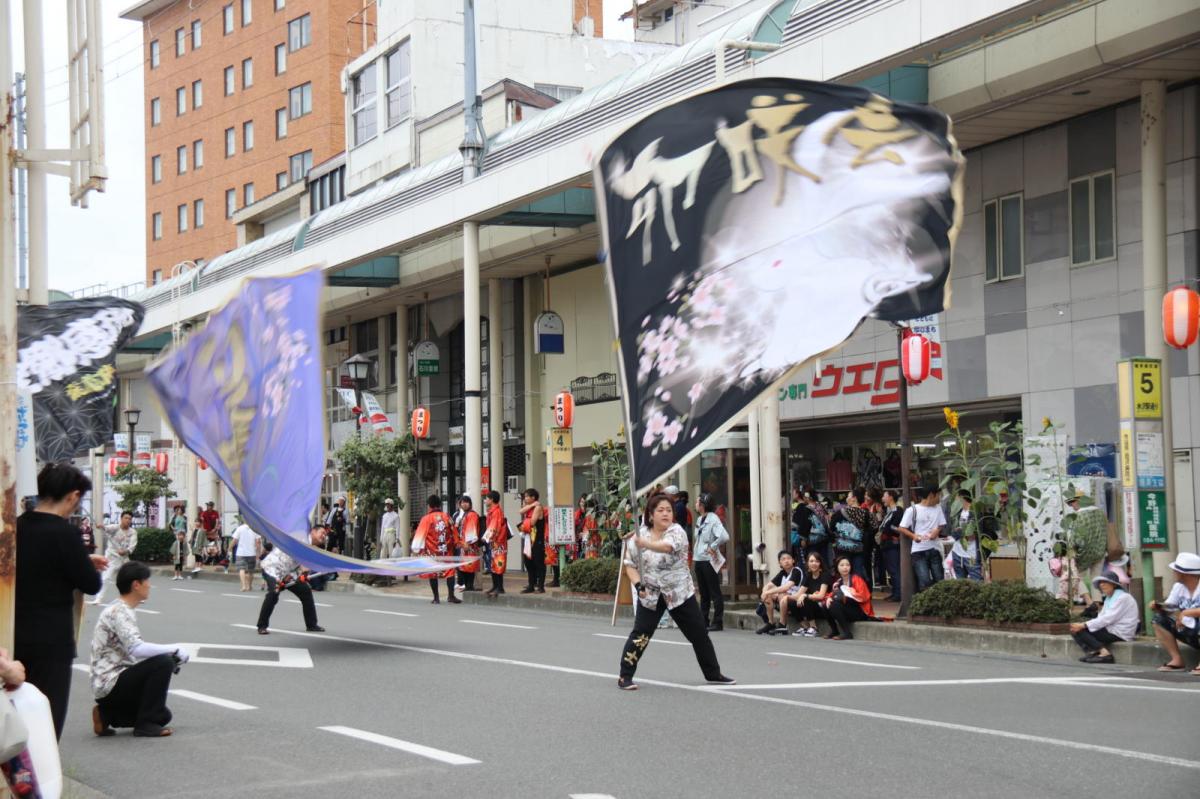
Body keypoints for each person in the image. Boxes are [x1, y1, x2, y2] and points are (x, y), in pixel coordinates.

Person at [15, 463, 107, 739]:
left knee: (14, 716)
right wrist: (86, 564)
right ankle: (40, 779)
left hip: (12, 636)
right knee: (45, 720)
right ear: (73, 496)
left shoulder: (16, 526)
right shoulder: (64, 532)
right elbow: (91, 584)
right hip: (51, 641)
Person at [616, 494, 734, 690]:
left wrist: (646, 544)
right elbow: (629, 566)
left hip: (679, 592)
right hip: (651, 593)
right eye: (660, 510)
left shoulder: (676, 531)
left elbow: (667, 547)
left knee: (699, 634)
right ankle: (624, 676)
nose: (665, 514)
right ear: (651, 515)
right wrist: (638, 586)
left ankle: (713, 673)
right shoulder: (639, 535)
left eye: (669, 510)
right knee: (641, 634)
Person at [89, 562, 189, 737]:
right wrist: (174, 649)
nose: (149, 585)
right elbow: (137, 648)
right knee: (163, 662)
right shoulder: (119, 611)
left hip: (110, 684)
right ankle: (145, 725)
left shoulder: (120, 608)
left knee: (164, 715)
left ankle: (106, 715)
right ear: (136, 585)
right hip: (110, 682)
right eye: (146, 581)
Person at [256, 527, 328, 634]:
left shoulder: (312, 547)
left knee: (305, 591)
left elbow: (300, 565)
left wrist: (302, 574)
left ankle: (311, 625)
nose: (324, 536)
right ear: (313, 532)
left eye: (325, 534)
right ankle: (262, 626)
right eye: (322, 533)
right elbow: (300, 558)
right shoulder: (302, 540)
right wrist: (304, 571)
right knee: (273, 594)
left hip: (288, 573)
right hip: (272, 569)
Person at [1070, 571, 1138, 664]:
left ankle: (1105, 654)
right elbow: (1101, 617)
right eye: (1100, 583)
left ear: (1114, 584)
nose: (1102, 585)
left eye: (1105, 582)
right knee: (1074, 629)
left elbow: (1108, 618)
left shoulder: (1123, 597)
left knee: (1080, 630)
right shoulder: (1110, 597)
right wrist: (1083, 625)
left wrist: (1084, 625)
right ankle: (1094, 651)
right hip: (1110, 628)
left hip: (1120, 632)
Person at [1150, 552, 1200, 673]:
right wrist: (1158, 606)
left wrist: (1186, 613)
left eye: (1176, 571)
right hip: (1188, 629)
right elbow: (1170, 606)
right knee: (1158, 619)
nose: (1174, 573)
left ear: (1184, 574)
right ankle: (1177, 660)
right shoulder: (1178, 587)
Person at [897, 485, 947, 592]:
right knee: (924, 581)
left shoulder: (938, 508)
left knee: (939, 579)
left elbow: (942, 524)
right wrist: (914, 536)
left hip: (934, 549)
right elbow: (902, 527)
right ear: (931, 495)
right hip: (918, 551)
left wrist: (936, 531)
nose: (940, 498)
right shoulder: (913, 510)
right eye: (938, 495)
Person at [412, 496, 461, 604]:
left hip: (432, 551)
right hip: (446, 551)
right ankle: (451, 596)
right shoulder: (447, 517)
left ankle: (436, 598)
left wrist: (417, 550)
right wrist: (457, 542)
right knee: (450, 571)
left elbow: (419, 536)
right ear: (439, 505)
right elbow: (454, 531)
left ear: (429, 506)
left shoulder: (426, 519)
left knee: (433, 573)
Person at [693, 493, 729, 632]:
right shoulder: (699, 519)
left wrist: (713, 546)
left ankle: (718, 622)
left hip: (709, 559)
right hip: (699, 558)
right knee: (703, 592)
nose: (696, 504)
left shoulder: (713, 519)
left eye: (697, 502)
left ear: (702, 505)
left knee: (714, 592)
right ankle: (704, 620)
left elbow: (725, 536)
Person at [90, 510, 137, 606]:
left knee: (131, 577)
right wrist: (101, 526)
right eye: (126, 518)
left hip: (124, 558)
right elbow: (106, 528)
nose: (128, 520)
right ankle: (98, 598)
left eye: (129, 519)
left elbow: (132, 546)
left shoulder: (132, 532)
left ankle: (135, 596)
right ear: (121, 519)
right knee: (106, 578)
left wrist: (125, 551)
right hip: (111, 557)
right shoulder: (115, 528)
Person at [822, 555, 875, 640]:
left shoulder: (856, 579)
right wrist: (829, 597)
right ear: (837, 567)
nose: (845, 567)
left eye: (847, 565)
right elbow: (831, 595)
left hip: (860, 611)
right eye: (842, 565)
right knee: (825, 605)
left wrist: (853, 593)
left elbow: (864, 596)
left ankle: (847, 633)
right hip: (848, 610)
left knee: (835, 604)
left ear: (851, 567)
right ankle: (834, 630)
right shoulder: (838, 582)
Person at [831, 487, 875, 584]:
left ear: (854, 498)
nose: (847, 498)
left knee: (844, 571)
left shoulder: (839, 513)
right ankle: (860, 593)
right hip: (861, 549)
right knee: (859, 572)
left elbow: (831, 528)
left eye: (848, 496)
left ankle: (845, 593)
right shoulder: (867, 514)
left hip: (843, 548)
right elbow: (874, 529)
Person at [757, 551, 804, 635]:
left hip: (797, 600)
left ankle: (782, 625)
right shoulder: (782, 573)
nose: (786, 561)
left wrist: (767, 592)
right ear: (780, 563)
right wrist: (764, 593)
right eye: (783, 559)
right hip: (784, 600)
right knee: (769, 595)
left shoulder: (796, 571)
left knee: (781, 594)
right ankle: (771, 623)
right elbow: (768, 585)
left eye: (789, 558)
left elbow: (785, 588)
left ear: (793, 560)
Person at [790, 552, 832, 637]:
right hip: (812, 607)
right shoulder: (808, 575)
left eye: (816, 561)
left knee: (806, 598)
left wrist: (805, 595)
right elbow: (799, 594)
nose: (814, 563)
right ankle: (805, 627)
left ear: (820, 563)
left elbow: (821, 596)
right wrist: (786, 597)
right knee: (791, 602)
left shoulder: (825, 575)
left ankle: (814, 628)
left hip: (823, 607)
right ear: (808, 563)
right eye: (811, 561)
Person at [520, 489, 547, 594]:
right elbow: (520, 511)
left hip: (537, 539)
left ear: (533, 498)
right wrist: (530, 506)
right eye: (525, 497)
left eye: (527, 497)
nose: (525, 498)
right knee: (528, 562)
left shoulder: (538, 507)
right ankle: (531, 585)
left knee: (538, 562)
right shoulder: (530, 508)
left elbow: (532, 522)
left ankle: (541, 586)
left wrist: (524, 524)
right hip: (528, 538)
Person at [878, 490, 904, 600]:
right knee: (891, 569)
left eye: (884, 496)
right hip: (886, 544)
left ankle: (898, 594)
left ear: (891, 497)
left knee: (894, 570)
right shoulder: (889, 511)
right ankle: (895, 592)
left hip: (893, 544)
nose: (883, 498)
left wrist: (886, 530)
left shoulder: (898, 511)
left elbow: (895, 527)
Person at [483, 491, 509, 597]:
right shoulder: (493, 511)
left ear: (492, 499)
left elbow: (494, 526)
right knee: (494, 564)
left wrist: (486, 537)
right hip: (495, 541)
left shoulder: (496, 511)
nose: (485, 500)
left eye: (487, 498)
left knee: (498, 564)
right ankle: (495, 586)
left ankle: (500, 587)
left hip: (499, 542)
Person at [456, 496, 482, 592]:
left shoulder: (471, 514)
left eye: (466, 502)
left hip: (469, 545)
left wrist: (467, 543)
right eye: (462, 502)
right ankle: (468, 586)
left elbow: (471, 530)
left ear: (470, 504)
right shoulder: (465, 515)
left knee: (469, 566)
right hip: (465, 544)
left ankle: (470, 586)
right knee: (466, 567)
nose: (464, 504)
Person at [229, 517, 262, 592]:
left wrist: (229, 548)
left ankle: (243, 586)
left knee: (241, 569)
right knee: (251, 571)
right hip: (252, 553)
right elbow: (258, 542)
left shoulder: (239, 528)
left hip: (241, 553)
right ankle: (249, 586)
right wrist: (258, 553)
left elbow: (234, 540)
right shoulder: (255, 529)